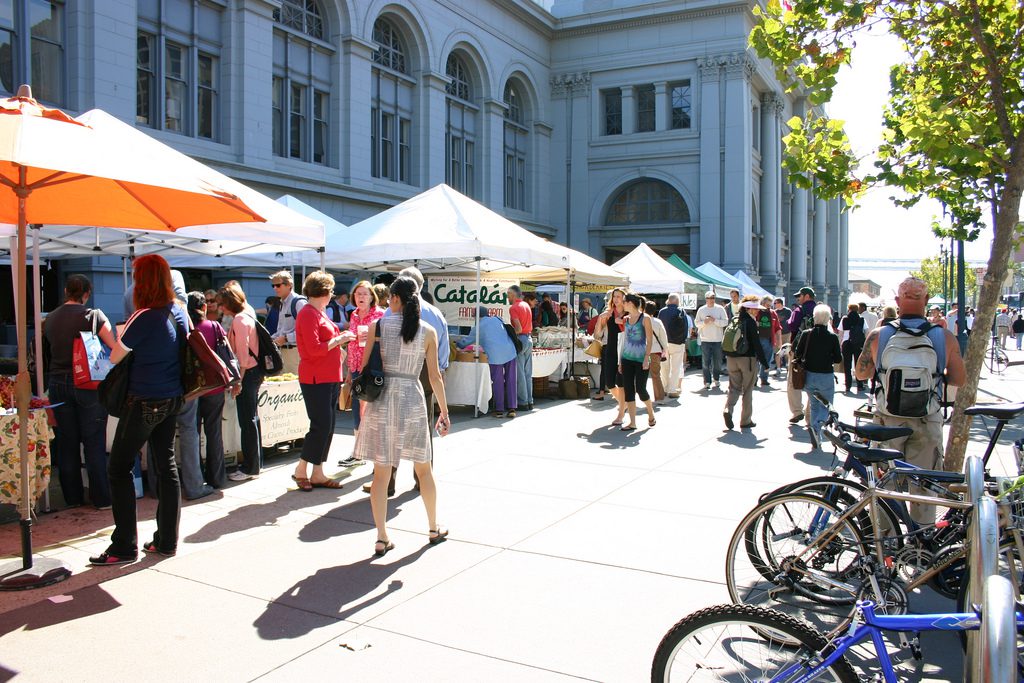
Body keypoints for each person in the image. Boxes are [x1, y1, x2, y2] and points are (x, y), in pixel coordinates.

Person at [91, 255, 188, 565]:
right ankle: (166, 541)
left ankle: (123, 546)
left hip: (144, 400)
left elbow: (117, 356)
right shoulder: (178, 312)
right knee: (166, 466)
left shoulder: (143, 315)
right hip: (172, 398)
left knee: (118, 468)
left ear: (142, 282)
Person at [855, 277, 966, 523]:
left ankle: (887, 546)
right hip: (927, 420)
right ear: (926, 301)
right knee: (924, 487)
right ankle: (922, 542)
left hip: (887, 423)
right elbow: (959, 379)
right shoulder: (944, 337)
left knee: (885, 488)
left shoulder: (879, 335)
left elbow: (860, 373)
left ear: (897, 302)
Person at [355, 276, 450, 556]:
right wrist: (443, 411)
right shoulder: (427, 331)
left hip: (382, 398)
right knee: (424, 469)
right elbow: (435, 376)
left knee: (382, 473)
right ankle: (433, 527)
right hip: (412, 396)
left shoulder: (378, 326)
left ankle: (382, 537)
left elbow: (364, 367)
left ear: (394, 298)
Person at [43, 274, 117, 510]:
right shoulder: (93, 316)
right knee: (93, 441)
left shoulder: (51, 318)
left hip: (57, 383)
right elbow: (114, 347)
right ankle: (102, 499)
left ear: (66, 290)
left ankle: (73, 498)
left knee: (67, 442)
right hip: (88, 383)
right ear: (86, 293)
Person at [292, 271, 346, 492]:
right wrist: (339, 340)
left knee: (327, 426)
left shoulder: (318, 312)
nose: (332, 294)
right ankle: (301, 470)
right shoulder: (308, 314)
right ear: (322, 291)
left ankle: (317, 472)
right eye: (331, 290)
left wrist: (339, 346)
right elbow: (313, 350)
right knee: (321, 426)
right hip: (316, 378)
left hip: (329, 377)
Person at [221, 281, 264, 482]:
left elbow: (243, 356)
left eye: (222, 304)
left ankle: (249, 467)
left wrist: (238, 381)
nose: (220, 308)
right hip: (253, 372)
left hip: (248, 373)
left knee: (247, 420)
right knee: (252, 419)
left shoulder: (239, 320)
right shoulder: (247, 314)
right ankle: (254, 464)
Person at [340, 280, 384, 467]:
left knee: (374, 410)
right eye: (358, 294)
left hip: (373, 367)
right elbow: (351, 345)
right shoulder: (354, 315)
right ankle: (358, 452)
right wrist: (350, 369)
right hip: (357, 367)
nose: (361, 297)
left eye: (365, 294)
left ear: (372, 296)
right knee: (358, 409)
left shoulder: (380, 315)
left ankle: (375, 452)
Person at [186, 292, 228, 491]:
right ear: (204, 307)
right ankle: (217, 478)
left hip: (191, 389)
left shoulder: (185, 329)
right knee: (214, 433)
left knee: (191, 435)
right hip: (214, 387)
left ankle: (195, 477)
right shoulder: (214, 326)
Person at [457, 306, 517, 417]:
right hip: (510, 351)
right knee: (511, 379)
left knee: (498, 381)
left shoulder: (478, 326)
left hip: (495, 355)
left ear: (477, 316)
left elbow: (465, 342)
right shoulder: (497, 319)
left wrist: (456, 343)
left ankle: (499, 410)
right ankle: (512, 408)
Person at [797, 304, 842, 449]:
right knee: (826, 407)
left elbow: (798, 353)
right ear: (828, 319)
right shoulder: (832, 337)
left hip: (809, 374)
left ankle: (816, 435)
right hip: (825, 376)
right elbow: (838, 359)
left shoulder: (806, 334)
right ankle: (816, 428)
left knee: (814, 405)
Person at [722, 296, 769, 430]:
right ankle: (745, 420)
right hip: (747, 360)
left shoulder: (735, 319)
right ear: (748, 308)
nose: (757, 311)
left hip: (731, 358)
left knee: (734, 388)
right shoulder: (750, 322)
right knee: (748, 390)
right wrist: (765, 363)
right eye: (754, 309)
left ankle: (728, 409)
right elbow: (757, 344)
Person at [617, 293, 656, 430]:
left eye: (624, 302)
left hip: (641, 359)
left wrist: (646, 358)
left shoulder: (645, 318)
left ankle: (651, 413)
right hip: (627, 359)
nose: (622, 304)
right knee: (628, 390)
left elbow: (650, 340)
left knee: (641, 389)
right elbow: (625, 341)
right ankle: (632, 422)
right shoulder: (625, 319)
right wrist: (621, 361)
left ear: (631, 303)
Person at [594, 288, 628, 424]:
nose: (616, 299)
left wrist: (624, 321)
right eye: (614, 296)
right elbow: (597, 335)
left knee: (621, 383)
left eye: (619, 296)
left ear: (624, 298)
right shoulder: (608, 314)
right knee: (609, 382)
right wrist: (599, 321)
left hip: (625, 350)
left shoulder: (630, 313)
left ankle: (621, 414)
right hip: (610, 348)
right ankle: (623, 403)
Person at [786, 287, 818, 423]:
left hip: (798, 349)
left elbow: (791, 326)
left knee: (793, 380)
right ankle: (810, 412)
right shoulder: (821, 310)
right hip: (815, 351)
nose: (798, 298)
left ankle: (797, 411)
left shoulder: (798, 310)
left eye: (799, 296)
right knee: (814, 381)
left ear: (806, 296)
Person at [270, 270, 305, 375]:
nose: (275, 288)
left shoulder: (299, 302)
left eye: (278, 285)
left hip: (295, 352)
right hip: (284, 352)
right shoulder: (282, 303)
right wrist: (270, 339)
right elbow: (281, 330)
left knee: (295, 387)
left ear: (289, 285)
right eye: (273, 286)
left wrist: (286, 338)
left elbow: (306, 330)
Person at [507, 285, 535, 410]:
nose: (507, 297)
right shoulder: (526, 305)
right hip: (529, 339)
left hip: (520, 340)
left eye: (508, 295)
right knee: (528, 373)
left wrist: (508, 331)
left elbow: (517, 329)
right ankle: (530, 401)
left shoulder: (513, 308)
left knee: (520, 374)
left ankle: (523, 402)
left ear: (513, 295)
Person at [695, 292, 728, 391]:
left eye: (713, 298)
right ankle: (707, 381)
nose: (711, 299)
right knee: (705, 362)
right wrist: (704, 322)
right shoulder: (701, 309)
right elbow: (696, 323)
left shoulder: (720, 309)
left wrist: (715, 320)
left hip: (717, 339)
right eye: (709, 298)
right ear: (706, 299)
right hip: (705, 339)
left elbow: (725, 322)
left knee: (717, 362)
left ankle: (716, 378)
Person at [657, 293, 688, 399]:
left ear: (668, 301)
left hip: (664, 343)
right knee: (675, 367)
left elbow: (658, 327)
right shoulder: (681, 311)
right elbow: (685, 328)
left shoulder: (662, 311)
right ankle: (672, 390)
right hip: (677, 343)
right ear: (677, 301)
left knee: (664, 367)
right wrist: (683, 341)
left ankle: (665, 388)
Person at [838, 303, 867, 393]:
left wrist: (840, 344)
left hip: (846, 343)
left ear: (849, 309)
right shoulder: (861, 319)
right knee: (858, 364)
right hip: (858, 343)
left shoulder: (844, 319)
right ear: (857, 309)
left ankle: (848, 385)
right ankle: (860, 385)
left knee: (847, 365)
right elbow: (866, 331)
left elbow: (840, 333)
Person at [644, 301, 669, 403]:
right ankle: (659, 398)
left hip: (643, 351)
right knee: (656, 374)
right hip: (656, 351)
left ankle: (640, 398)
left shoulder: (641, 321)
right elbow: (663, 337)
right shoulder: (658, 322)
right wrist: (665, 349)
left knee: (641, 376)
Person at [755, 295, 781, 387]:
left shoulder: (773, 313)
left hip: (769, 340)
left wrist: (779, 342)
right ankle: (754, 379)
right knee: (756, 360)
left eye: (770, 305)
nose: (769, 306)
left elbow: (778, 328)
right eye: (767, 304)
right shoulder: (756, 311)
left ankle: (764, 378)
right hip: (757, 340)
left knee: (767, 360)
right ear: (762, 303)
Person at [774, 298, 792, 378]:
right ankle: (778, 368)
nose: (775, 305)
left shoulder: (788, 311)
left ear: (780, 303)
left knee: (787, 351)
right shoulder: (775, 312)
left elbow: (791, 321)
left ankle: (788, 367)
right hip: (778, 334)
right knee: (778, 352)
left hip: (787, 333)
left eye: (776, 303)